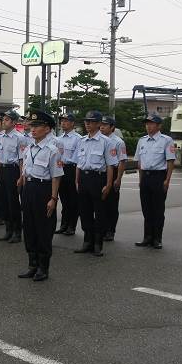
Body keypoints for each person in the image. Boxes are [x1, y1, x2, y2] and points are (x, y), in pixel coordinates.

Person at [17, 110, 63, 281]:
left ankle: (43, 268)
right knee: (29, 227)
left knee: (43, 229)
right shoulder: (29, 148)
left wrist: (53, 198)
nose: (32, 129)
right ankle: (32, 265)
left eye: (37, 126)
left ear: (47, 129)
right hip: (29, 188)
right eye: (32, 126)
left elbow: (56, 176)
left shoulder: (52, 150)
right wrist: (21, 181)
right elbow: (25, 169)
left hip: (43, 190)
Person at [74, 110, 118, 257]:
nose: (87, 124)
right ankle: (87, 242)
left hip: (98, 178)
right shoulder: (81, 141)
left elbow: (111, 165)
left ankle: (98, 244)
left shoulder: (107, 142)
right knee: (84, 212)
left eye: (91, 121)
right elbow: (78, 164)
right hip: (84, 179)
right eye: (86, 121)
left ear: (99, 124)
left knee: (99, 212)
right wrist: (77, 180)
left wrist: (108, 184)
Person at [134, 113, 176, 249]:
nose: (148, 126)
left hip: (159, 177)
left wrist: (167, 180)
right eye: (147, 123)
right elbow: (140, 162)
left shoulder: (166, 140)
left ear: (159, 126)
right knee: (146, 209)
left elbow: (170, 161)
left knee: (158, 209)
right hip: (145, 177)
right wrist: (140, 179)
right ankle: (147, 237)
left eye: (151, 123)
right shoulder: (142, 140)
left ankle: (157, 238)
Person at [0, 110, 29, 243]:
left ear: (14, 122)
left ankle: (17, 232)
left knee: (13, 203)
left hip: (13, 171)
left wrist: (21, 177)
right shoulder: (1, 137)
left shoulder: (19, 138)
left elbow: (22, 160)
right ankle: (8, 230)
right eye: (4, 119)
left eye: (7, 120)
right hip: (3, 171)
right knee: (3, 202)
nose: (4, 121)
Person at [100, 116, 127, 241]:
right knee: (101, 203)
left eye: (105, 125)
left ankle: (110, 230)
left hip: (114, 172)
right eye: (101, 124)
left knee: (111, 203)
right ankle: (102, 229)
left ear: (112, 127)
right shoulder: (99, 139)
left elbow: (122, 161)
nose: (102, 127)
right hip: (101, 173)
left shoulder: (118, 142)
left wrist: (118, 179)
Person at [56, 113, 81, 236]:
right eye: (62, 121)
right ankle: (63, 225)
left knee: (73, 199)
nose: (63, 123)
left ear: (72, 123)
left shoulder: (78, 138)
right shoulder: (58, 139)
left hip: (71, 169)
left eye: (66, 121)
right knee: (64, 199)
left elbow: (77, 159)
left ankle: (72, 226)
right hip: (60, 169)